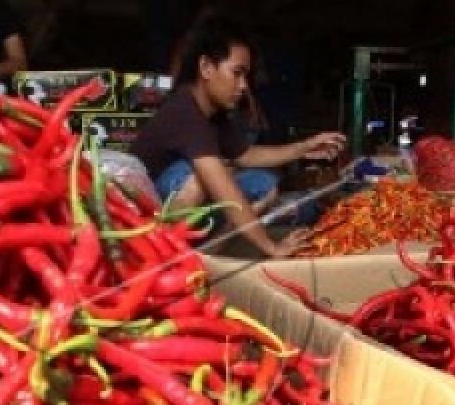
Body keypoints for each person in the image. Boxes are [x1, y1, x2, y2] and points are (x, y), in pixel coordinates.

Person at [131, 14, 344, 259]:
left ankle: (215, 245)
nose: (243, 86)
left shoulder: (214, 112)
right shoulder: (184, 110)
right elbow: (222, 186)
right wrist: (271, 247)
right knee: (199, 179)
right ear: (206, 68)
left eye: (246, 76)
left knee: (265, 185)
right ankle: (171, 259)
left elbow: (246, 155)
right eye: (237, 73)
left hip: (187, 202)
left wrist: (305, 147)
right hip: (148, 214)